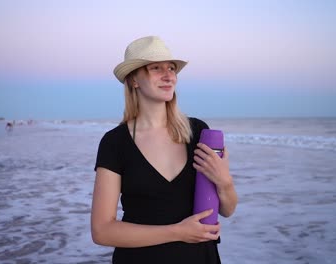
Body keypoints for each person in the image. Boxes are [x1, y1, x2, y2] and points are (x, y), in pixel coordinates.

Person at [91, 36, 238, 264]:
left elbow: (226, 211)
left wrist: (224, 181)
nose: (169, 76)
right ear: (134, 80)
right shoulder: (115, 143)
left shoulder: (198, 132)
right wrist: (177, 232)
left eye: (171, 68)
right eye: (156, 68)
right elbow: (102, 231)